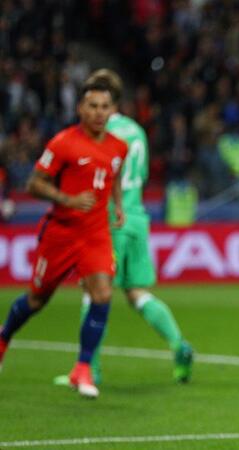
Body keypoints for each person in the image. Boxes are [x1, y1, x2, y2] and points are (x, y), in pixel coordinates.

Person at [53, 69, 193, 386]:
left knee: (93, 293)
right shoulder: (137, 131)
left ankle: (89, 369)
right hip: (137, 217)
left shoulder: (99, 133)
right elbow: (140, 175)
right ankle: (178, 345)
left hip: (108, 221)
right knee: (137, 293)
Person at [0, 75, 128, 399]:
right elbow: (33, 183)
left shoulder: (119, 147)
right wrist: (67, 199)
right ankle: (3, 338)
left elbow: (113, 176)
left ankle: (82, 368)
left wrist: (118, 205)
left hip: (96, 233)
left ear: (112, 110)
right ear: (80, 108)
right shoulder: (63, 143)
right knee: (36, 299)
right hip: (62, 233)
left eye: (105, 107)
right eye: (93, 106)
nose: (99, 112)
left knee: (102, 294)